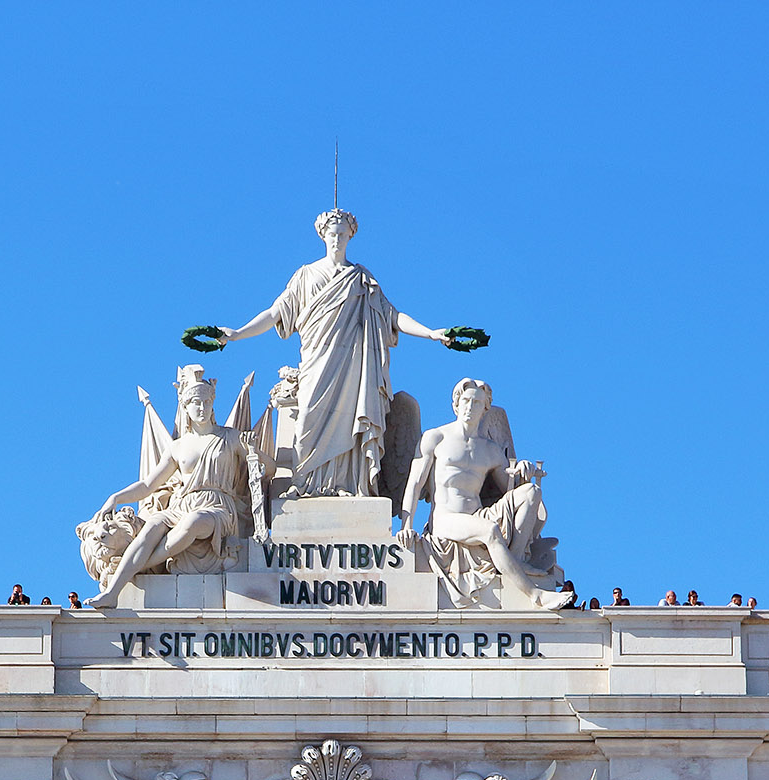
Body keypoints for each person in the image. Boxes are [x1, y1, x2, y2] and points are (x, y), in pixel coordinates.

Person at [213, 209, 465, 498]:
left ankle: (345, 485)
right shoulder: (305, 275)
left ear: (350, 236)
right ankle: (304, 483)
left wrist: (431, 333)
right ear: (322, 235)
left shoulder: (360, 279)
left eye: (343, 234)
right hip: (315, 362)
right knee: (307, 418)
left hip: (352, 367)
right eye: (332, 234)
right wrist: (238, 333)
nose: (337, 239)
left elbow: (392, 316)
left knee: (349, 421)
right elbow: (275, 313)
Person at [399, 379, 576, 610]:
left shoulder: (490, 450)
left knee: (531, 492)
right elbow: (414, 483)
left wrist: (523, 470)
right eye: (466, 401)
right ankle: (535, 595)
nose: (470, 407)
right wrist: (406, 525)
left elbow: (510, 490)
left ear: (485, 409)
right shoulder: (436, 438)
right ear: (456, 405)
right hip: (445, 519)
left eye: (477, 402)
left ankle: (514, 562)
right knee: (490, 530)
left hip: (477, 515)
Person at [87, 369, 253, 608]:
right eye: (196, 402)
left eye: (207, 402)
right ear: (185, 407)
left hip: (217, 508)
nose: (202, 408)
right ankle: (112, 592)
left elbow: (265, 469)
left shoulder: (231, 437)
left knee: (193, 522)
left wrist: (255, 452)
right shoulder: (178, 447)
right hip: (182, 504)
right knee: (153, 525)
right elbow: (148, 485)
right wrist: (115, 498)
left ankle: (138, 566)